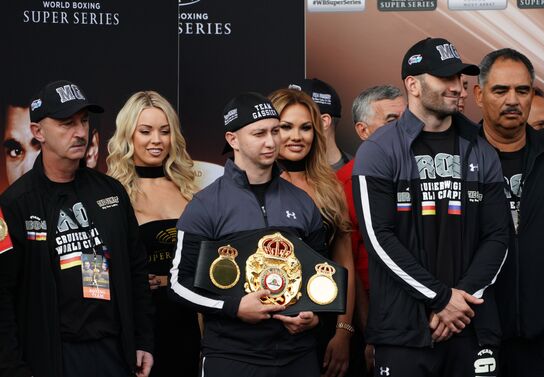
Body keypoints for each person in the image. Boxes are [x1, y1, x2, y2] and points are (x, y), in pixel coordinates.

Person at [352, 37, 509, 377]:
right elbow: (379, 238)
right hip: (404, 331)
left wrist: (460, 300)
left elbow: (499, 235)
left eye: (460, 80)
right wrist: (440, 299)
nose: (457, 88)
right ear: (413, 85)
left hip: (471, 325)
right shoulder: (379, 149)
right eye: (446, 79)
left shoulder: (481, 149)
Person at [0, 80, 154, 377]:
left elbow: (136, 270)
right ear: (38, 132)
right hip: (54, 355)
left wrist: (143, 339)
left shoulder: (111, 191)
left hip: (114, 351)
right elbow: (2, 296)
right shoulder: (16, 203)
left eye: (84, 121)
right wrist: (13, 368)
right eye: (66, 123)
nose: (80, 132)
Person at [168, 92, 328, 377]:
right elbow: (179, 284)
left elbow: (322, 275)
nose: (271, 141)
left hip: (297, 355)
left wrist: (313, 316)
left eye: (275, 131)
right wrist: (233, 307)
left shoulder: (302, 202)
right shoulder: (206, 205)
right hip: (232, 355)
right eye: (259, 133)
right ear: (233, 140)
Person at [107, 90, 201, 377]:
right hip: (140, 321)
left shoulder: (189, 189)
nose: (157, 140)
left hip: (187, 318)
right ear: (128, 136)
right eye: (145, 131)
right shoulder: (112, 193)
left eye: (164, 131)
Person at [268, 88, 356, 377]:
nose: (297, 136)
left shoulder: (329, 188)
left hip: (323, 322)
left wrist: (343, 332)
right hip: (267, 326)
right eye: (286, 127)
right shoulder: (253, 187)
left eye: (305, 127)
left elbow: (345, 264)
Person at [474, 48, 544, 377]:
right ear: (478, 94)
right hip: (476, 334)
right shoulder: (457, 159)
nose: (513, 100)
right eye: (500, 90)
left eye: (522, 90)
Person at [336, 85, 406, 374]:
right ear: (363, 131)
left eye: (408, 119)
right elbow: (348, 265)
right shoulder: (343, 183)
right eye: (392, 121)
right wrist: (371, 333)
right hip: (377, 317)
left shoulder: (423, 172)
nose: (405, 129)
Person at [2, 102, 100, 188]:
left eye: (41, 146)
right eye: (16, 152)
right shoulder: (7, 204)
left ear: (91, 150)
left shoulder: (111, 193)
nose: (27, 170)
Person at [289, 78, 352, 170]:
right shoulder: (276, 170)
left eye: (304, 126)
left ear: (323, 122)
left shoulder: (359, 172)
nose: (294, 136)